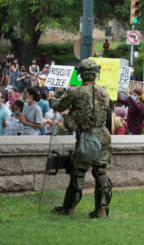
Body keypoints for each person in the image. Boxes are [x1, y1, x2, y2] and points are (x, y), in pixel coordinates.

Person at [51, 59, 112, 218]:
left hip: (85, 136)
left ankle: (69, 207)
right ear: (95, 74)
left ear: (81, 74)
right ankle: (102, 209)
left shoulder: (74, 91)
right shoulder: (104, 92)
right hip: (103, 136)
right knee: (101, 171)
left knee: (78, 172)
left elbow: (59, 106)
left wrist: (52, 100)